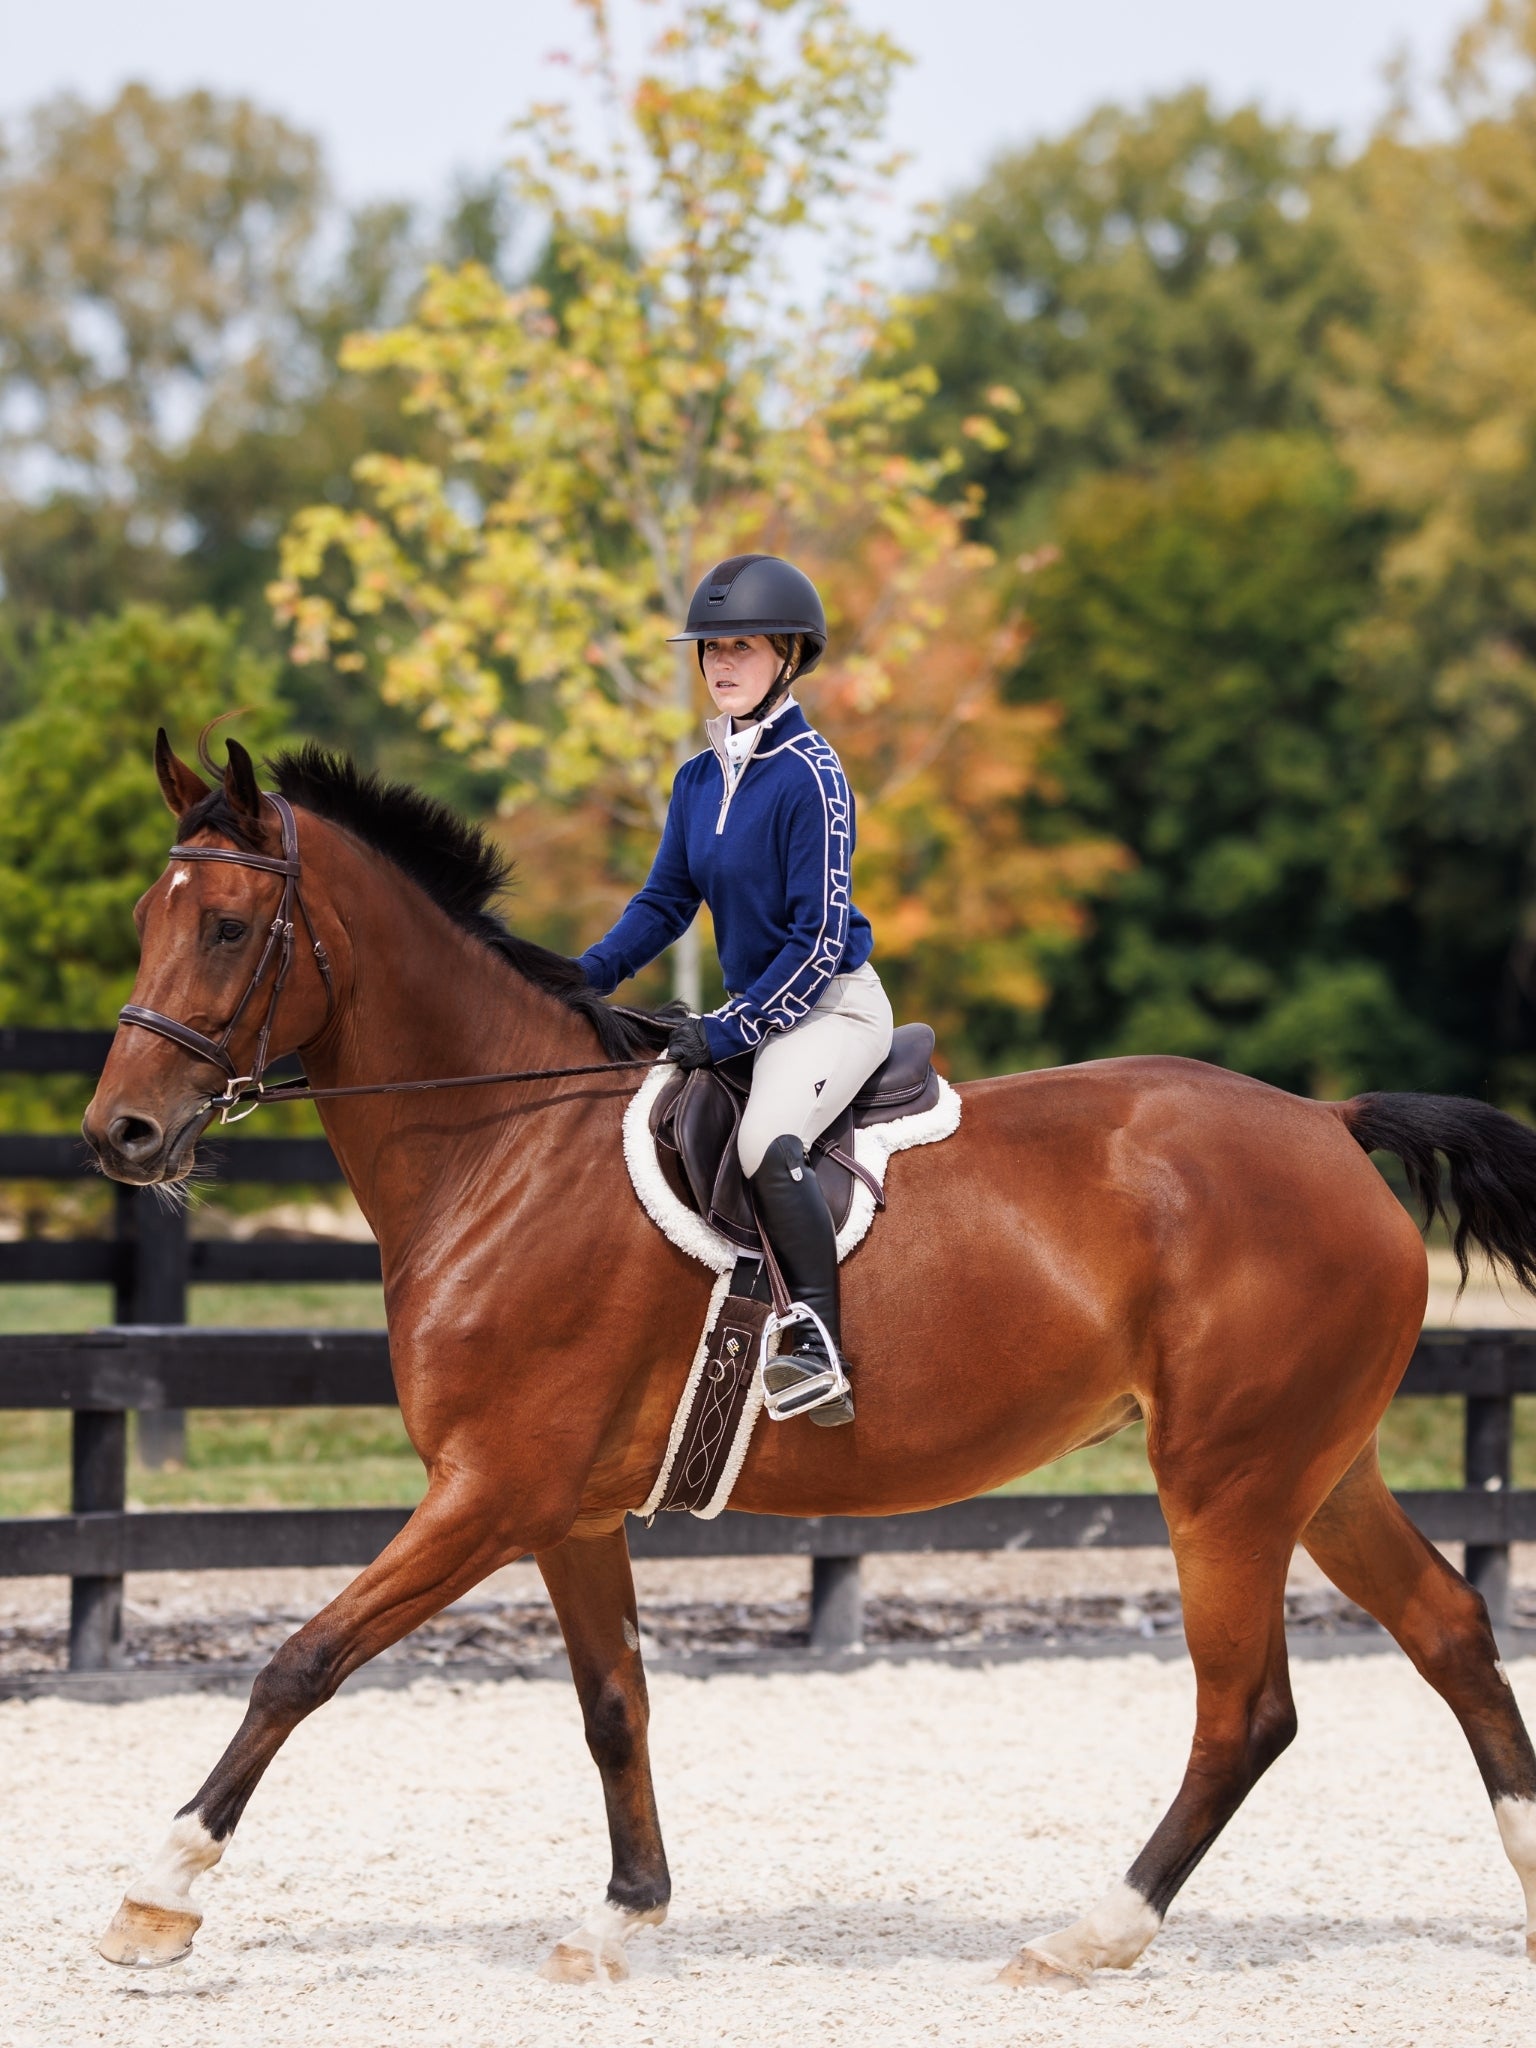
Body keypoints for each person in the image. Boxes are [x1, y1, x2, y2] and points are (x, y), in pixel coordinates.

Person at [578, 554, 893, 1426]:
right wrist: (580, 977)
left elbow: (820, 939)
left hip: (831, 1005)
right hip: (754, 1015)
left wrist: (731, 1029)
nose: (720, 663)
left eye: (742, 647)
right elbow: (665, 902)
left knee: (763, 1138)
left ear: (790, 655)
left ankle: (815, 1344)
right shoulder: (696, 778)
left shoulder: (814, 777)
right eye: (710, 648)